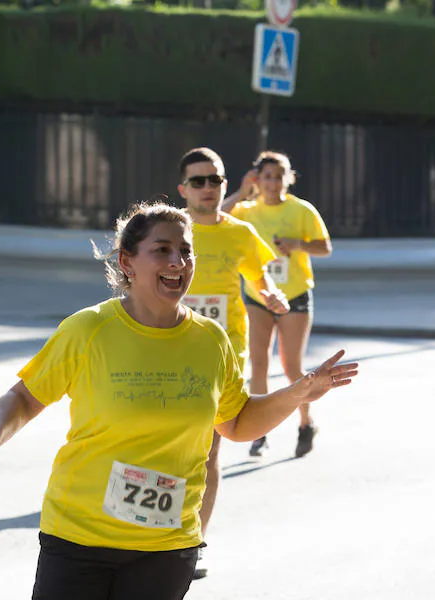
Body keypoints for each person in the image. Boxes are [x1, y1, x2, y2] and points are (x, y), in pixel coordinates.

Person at [0, 201, 357, 600]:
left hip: (167, 544)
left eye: (185, 251)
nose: (178, 262)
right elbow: (22, 397)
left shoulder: (210, 340)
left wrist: (297, 392)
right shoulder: (89, 329)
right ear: (128, 262)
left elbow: (237, 423)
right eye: (162, 250)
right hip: (78, 536)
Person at [175, 147, 289, 579]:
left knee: (210, 448)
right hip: (167, 350)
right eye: (199, 181)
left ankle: (193, 546)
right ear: (183, 188)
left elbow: (260, 280)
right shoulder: (170, 230)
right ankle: (153, 538)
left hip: (223, 353)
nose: (208, 188)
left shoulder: (240, 233)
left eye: (215, 181)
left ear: (226, 185)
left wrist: (271, 296)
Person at [222, 151, 333, 459]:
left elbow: (325, 247)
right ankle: (259, 433)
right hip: (258, 296)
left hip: (294, 293)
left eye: (278, 176)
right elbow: (212, 218)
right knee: (258, 363)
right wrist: (241, 191)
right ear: (258, 179)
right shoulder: (245, 210)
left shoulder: (302, 210)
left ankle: (305, 423)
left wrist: (297, 244)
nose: (272, 183)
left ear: (288, 179)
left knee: (292, 367)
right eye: (267, 176)